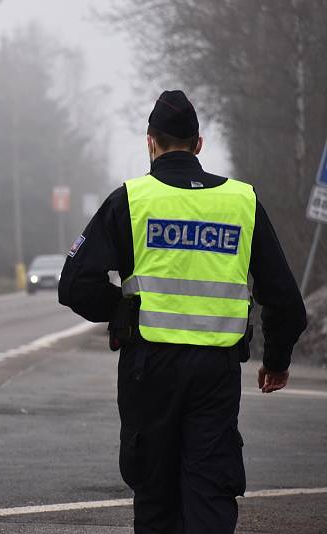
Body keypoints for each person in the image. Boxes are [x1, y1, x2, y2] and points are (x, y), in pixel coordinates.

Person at [58, 90, 307, 533]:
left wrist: (123, 309)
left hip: (149, 368)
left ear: (150, 142)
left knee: (155, 492)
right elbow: (284, 298)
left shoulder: (130, 200)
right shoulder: (242, 201)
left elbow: (74, 285)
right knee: (210, 485)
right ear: (199, 144)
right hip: (217, 369)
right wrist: (277, 360)